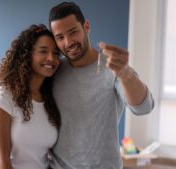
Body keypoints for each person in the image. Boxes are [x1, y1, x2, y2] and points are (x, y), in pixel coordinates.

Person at [48, 2, 154, 169]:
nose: (68, 42)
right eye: (60, 37)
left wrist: (125, 74)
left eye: (73, 32)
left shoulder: (113, 68)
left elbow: (144, 107)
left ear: (86, 26)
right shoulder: (53, 70)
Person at [0, 24, 61, 169]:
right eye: (43, 51)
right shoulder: (6, 96)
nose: (51, 58)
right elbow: (3, 161)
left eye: (55, 53)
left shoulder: (50, 99)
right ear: (27, 55)